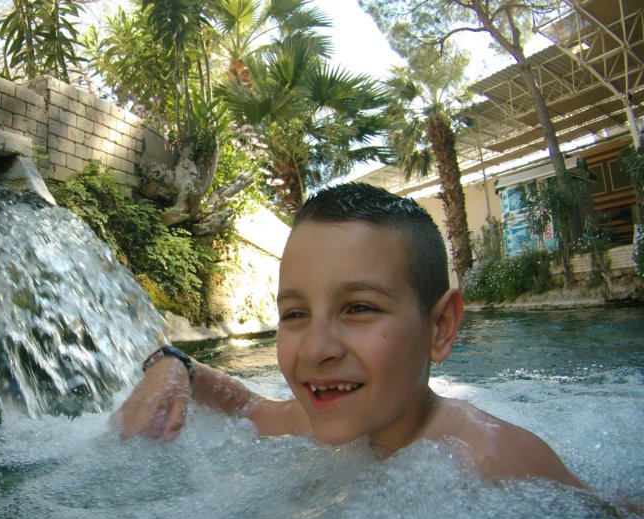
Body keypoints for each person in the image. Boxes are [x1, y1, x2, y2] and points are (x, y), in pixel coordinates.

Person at [113, 182, 585, 489]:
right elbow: (247, 407)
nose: (316, 349)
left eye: (359, 308)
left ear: (440, 327)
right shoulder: (312, 424)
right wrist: (172, 364)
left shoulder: (500, 461)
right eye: (295, 313)